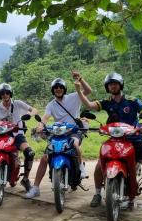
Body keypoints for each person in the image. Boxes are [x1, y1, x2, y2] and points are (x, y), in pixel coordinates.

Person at [75, 72, 142, 210]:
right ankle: (97, 194)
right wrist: (79, 91)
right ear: (107, 87)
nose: (113, 86)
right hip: (115, 139)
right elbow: (90, 105)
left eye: (115, 84)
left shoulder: (132, 101)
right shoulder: (106, 102)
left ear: (120, 85)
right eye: (110, 84)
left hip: (134, 139)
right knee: (99, 166)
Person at [25, 71, 92, 199]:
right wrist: (40, 126)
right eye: (56, 88)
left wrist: (80, 79)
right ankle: (36, 188)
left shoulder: (74, 97)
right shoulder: (51, 104)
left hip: (73, 131)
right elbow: (45, 117)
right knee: (45, 157)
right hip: (58, 133)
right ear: (53, 90)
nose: (58, 89)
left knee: (75, 144)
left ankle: (81, 169)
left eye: (61, 87)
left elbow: (88, 91)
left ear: (64, 89)